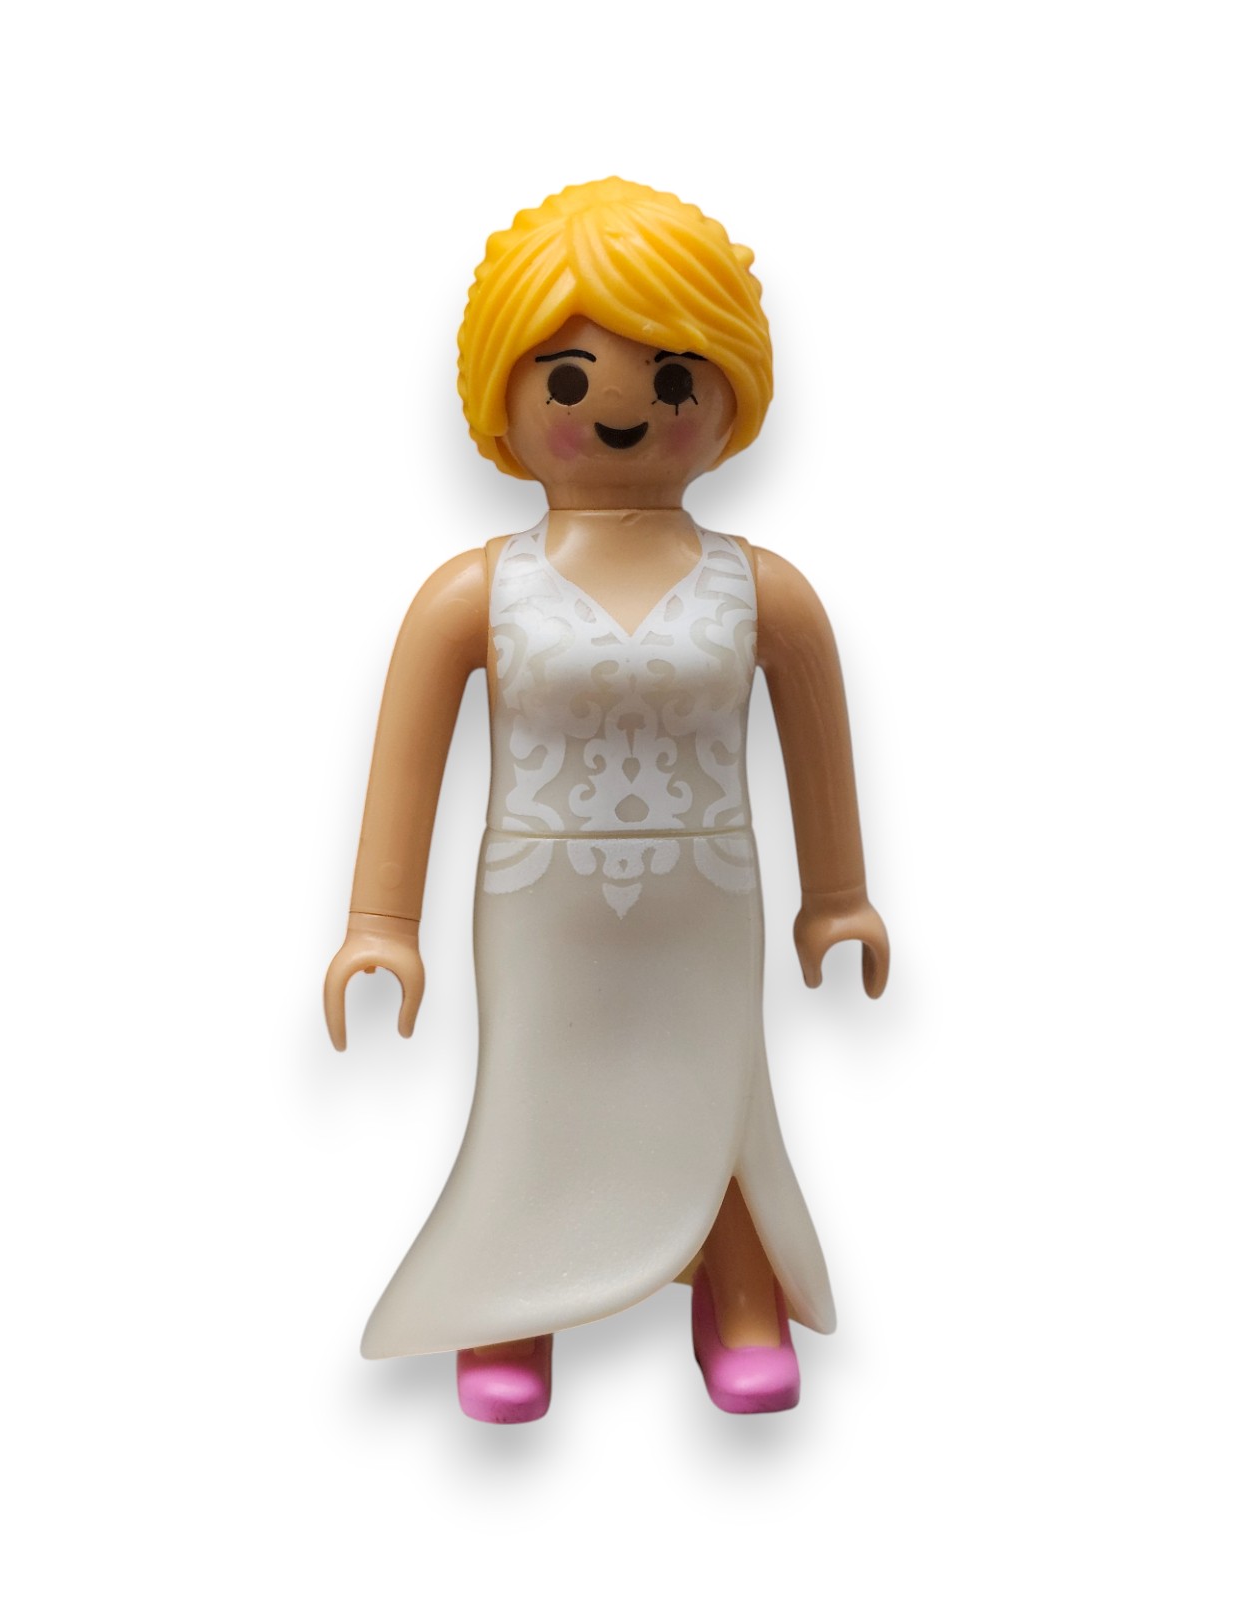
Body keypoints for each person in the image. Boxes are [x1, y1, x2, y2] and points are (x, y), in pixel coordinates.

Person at [323, 178, 888, 1422]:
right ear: (503, 395)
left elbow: (817, 742)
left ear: (729, 393)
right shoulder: (476, 591)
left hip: (706, 892)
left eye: (674, 376)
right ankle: (508, 1299)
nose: (622, 407)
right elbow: (405, 757)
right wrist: (380, 924)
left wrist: (838, 897)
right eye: (568, 378)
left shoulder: (762, 589)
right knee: (534, 1092)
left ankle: (738, 1284)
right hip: (542, 895)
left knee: (720, 1080)